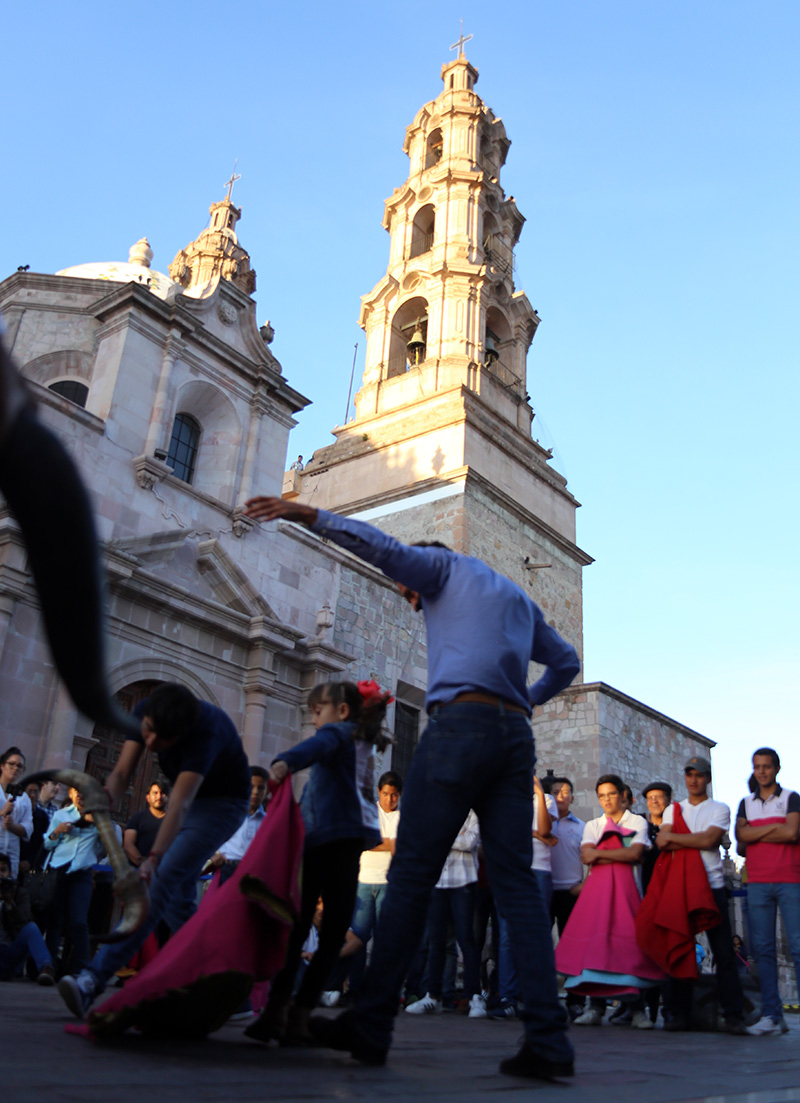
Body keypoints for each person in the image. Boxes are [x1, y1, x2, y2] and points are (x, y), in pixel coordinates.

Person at [243, 495, 580, 1081]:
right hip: (513, 739)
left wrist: (310, 516)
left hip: (459, 728)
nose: (410, 598)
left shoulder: (441, 568)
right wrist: (524, 700)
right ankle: (548, 1039)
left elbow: (383, 549)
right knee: (517, 889)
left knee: (411, 877)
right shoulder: (517, 599)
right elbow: (566, 663)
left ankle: (372, 1023)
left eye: (408, 591)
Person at [57, 683, 250, 1018]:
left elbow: (179, 804)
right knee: (178, 905)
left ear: (181, 734)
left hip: (221, 805)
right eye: (147, 731)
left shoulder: (207, 731)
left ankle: (92, 979)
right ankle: (231, 991)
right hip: (189, 802)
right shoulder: (145, 711)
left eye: (160, 739)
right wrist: (105, 796)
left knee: (160, 882)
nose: (149, 742)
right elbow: (121, 772)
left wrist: (154, 859)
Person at [244, 679, 391, 1045]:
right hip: (347, 841)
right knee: (333, 931)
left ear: (341, 711)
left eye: (317, 710)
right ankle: (299, 1014)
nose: (313, 718)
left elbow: (315, 745)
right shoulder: (360, 741)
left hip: (323, 839)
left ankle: (278, 1010)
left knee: (298, 925)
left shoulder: (338, 733)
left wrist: (284, 762)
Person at [557, 774, 659, 1029]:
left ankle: (637, 1010)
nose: (606, 800)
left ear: (622, 795)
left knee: (630, 949)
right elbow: (586, 856)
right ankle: (595, 1007)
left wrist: (601, 853)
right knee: (596, 949)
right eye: (601, 796)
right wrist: (620, 853)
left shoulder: (637, 821)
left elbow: (635, 853)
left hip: (630, 894)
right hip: (597, 897)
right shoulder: (593, 825)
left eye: (611, 794)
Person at [657, 755, 746, 1034]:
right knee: (680, 948)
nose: (693, 779)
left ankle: (733, 1015)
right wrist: (694, 840)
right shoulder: (673, 810)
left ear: (707, 778)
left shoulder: (720, 808)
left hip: (712, 885)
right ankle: (678, 1014)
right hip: (682, 886)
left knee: (723, 951)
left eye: (699, 775)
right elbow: (662, 841)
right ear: (685, 777)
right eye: (689, 774)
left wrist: (677, 839)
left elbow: (709, 840)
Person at [735, 747, 800, 1036]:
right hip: (758, 882)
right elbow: (741, 837)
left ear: (776, 768)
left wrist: (756, 833)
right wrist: (776, 828)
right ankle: (772, 1014)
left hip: (790, 879)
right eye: (757, 766)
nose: (761, 771)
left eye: (766, 766)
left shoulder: (791, 798)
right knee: (762, 950)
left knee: (798, 947)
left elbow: (792, 832)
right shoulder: (746, 803)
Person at [324, 770, 403, 1004]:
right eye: (386, 794)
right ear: (379, 792)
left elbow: (397, 848)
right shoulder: (368, 813)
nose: (390, 799)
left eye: (394, 795)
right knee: (357, 938)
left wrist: (377, 842)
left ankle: (380, 990)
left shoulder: (403, 818)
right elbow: (362, 841)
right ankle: (354, 988)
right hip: (363, 881)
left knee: (384, 940)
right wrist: (386, 843)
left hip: (389, 884)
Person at [405, 810, 485, 1018]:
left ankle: (474, 996)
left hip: (464, 881)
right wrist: (453, 836)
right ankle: (433, 995)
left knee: (467, 939)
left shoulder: (472, 813)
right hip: (438, 881)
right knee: (436, 941)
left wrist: (442, 837)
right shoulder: (435, 810)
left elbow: (470, 842)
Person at [491, 774, 557, 1019]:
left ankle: (533, 997)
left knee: (536, 934)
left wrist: (538, 793)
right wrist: (536, 835)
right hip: (510, 871)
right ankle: (508, 996)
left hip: (538, 870)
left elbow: (545, 829)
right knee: (507, 935)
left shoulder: (546, 799)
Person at [43, 785, 104, 976]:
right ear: (70, 793)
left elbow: (107, 848)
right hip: (59, 870)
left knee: (79, 921)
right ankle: (50, 966)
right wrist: (57, 831)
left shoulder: (99, 818)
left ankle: (80, 968)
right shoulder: (61, 814)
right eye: (76, 792)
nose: (80, 796)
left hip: (82, 873)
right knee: (55, 919)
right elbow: (48, 843)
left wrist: (100, 828)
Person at [544, 774, 585, 1020]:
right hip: (545, 891)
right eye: (556, 792)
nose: (561, 796)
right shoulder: (542, 824)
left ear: (572, 797)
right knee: (540, 944)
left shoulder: (581, 827)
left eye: (565, 792)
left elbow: (589, 858)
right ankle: (542, 997)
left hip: (571, 892)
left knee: (574, 947)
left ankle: (576, 1000)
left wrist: (584, 885)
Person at [206, 767, 269, 885]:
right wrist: (213, 855)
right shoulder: (228, 814)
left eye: (260, 788)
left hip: (255, 873)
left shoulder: (268, 821)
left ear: (267, 791)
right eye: (251, 786)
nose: (255, 792)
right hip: (228, 868)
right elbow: (206, 837)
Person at [0, 852, 55, 985]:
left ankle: (46, 969)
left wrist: (10, 905)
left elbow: (25, 924)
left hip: (8, 954)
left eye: (3, 870)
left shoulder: (19, 893)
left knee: (31, 928)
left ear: (10, 873)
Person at [0, 747, 33, 879]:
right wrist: (2, 812)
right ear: (2, 766)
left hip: (11, 855)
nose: (15, 768)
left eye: (19, 766)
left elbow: (28, 828)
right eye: (11, 764)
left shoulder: (23, 797)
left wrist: (13, 826)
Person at [123, 782, 169, 867]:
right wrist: (143, 864)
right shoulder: (137, 818)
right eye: (155, 793)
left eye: (162, 793)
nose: (159, 797)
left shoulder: (173, 821)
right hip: (138, 870)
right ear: (148, 797)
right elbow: (128, 844)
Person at [19, 780, 50, 875]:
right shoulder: (17, 812)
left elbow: (43, 844)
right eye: (29, 792)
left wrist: (30, 861)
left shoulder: (42, 816)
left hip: (32, 865)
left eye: (36, 792)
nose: (32, 795)